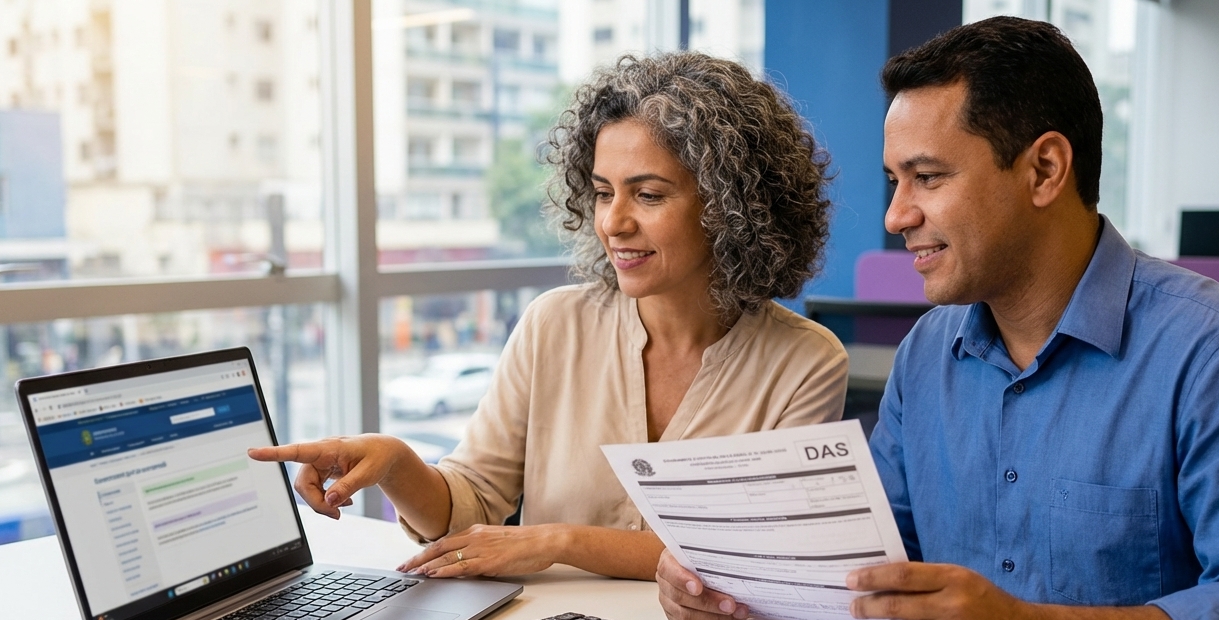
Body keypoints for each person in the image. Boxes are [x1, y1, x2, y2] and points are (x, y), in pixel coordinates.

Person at [655, 16, 1219, 620]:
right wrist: (732, 591)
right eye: (895, 180)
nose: (896, 216)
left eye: (927, 178)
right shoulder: (926, 356)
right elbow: (875, 563)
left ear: (1043, 170)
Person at [250, 52, 847, 582]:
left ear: (731, 206)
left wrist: (560, 542)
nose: (613, 221)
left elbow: (755, 560)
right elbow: (472, 503)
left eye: (649, 194)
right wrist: (397, 464)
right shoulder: (553, 326)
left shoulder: (804, 362)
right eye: (603, 192)